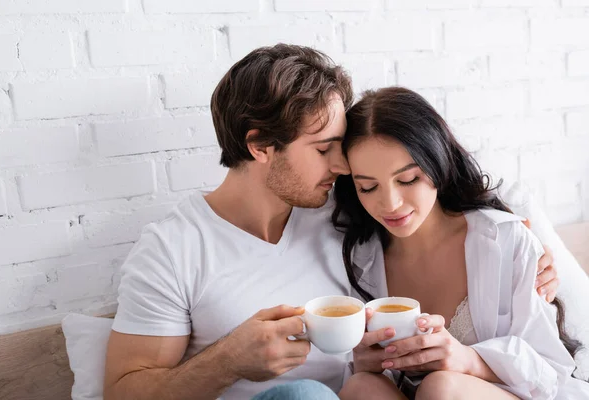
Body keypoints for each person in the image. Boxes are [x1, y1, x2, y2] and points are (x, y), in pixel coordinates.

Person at [103, 45, 559, 400]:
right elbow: (121, 391)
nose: (342, 165)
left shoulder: (344, 213)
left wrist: (525, 249)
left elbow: (425, 183)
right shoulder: (174, 248)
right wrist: (228, 361)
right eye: (324, 149)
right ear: (261, 146)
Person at [332, 87, 589, 399]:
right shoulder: (360, 257)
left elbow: (550, 371)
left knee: (443, 387)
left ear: (437, 162)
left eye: (408, 179)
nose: (390, 203)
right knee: (361, 387)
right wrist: (365, 362)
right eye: (368, 187)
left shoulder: (502, 239)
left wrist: (466, 360)